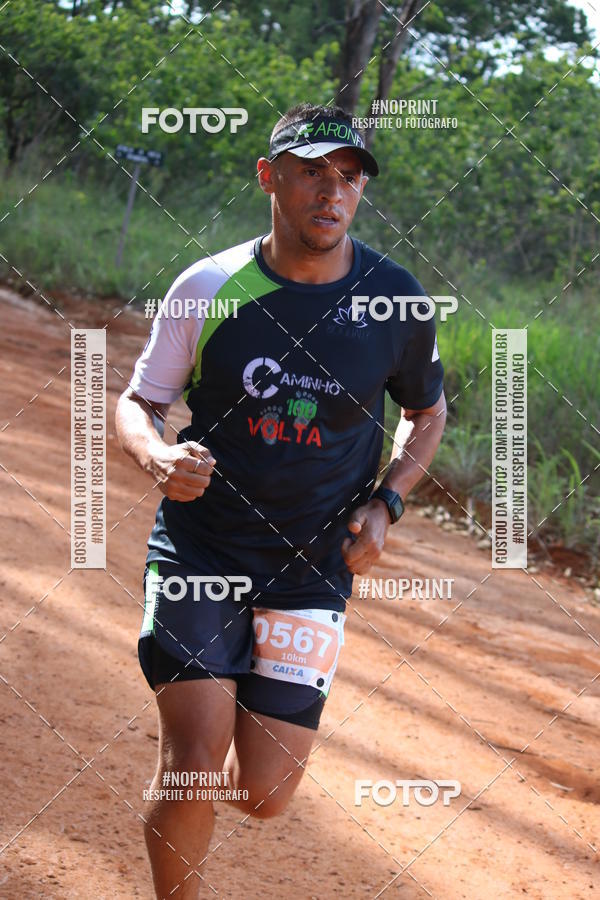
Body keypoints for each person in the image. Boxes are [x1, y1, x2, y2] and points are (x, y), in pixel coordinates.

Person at [115, 101, 446, 899]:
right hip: (204, 550)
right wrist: (157, 456)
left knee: (264, 794)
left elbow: (428, 412)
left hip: (311, 568)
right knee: (195, 764)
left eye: (349, 178)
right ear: (270, 178)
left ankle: (183, 795)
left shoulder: (394, 301)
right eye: (312, 174)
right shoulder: (208, 286)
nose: (332, 194)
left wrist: (388, 502)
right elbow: (138, 401)